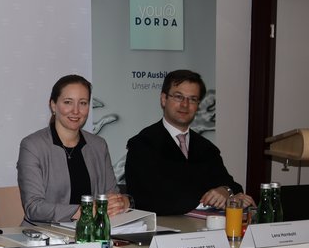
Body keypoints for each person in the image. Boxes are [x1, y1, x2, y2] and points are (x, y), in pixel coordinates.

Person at [125, 69, 253, 215]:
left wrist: (225, 191)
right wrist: (207, 199)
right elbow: (147, 198)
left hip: (205, 226)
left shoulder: (207, 148)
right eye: (178, 97)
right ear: (164, 99)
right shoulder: (142, 144)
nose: (185, 105)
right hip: (163, 227)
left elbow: (232, 186)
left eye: (192, 99)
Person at [17, 74, 130, 224]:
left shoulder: (99, 145)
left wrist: (122, 202)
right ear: (53, 105)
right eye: (68, 102)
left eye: (83, 103)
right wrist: (84, 210)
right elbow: (34, 207)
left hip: (92, 232)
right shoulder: (32, 146)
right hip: (45, 233)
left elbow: (112, 195)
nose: (76, 111)